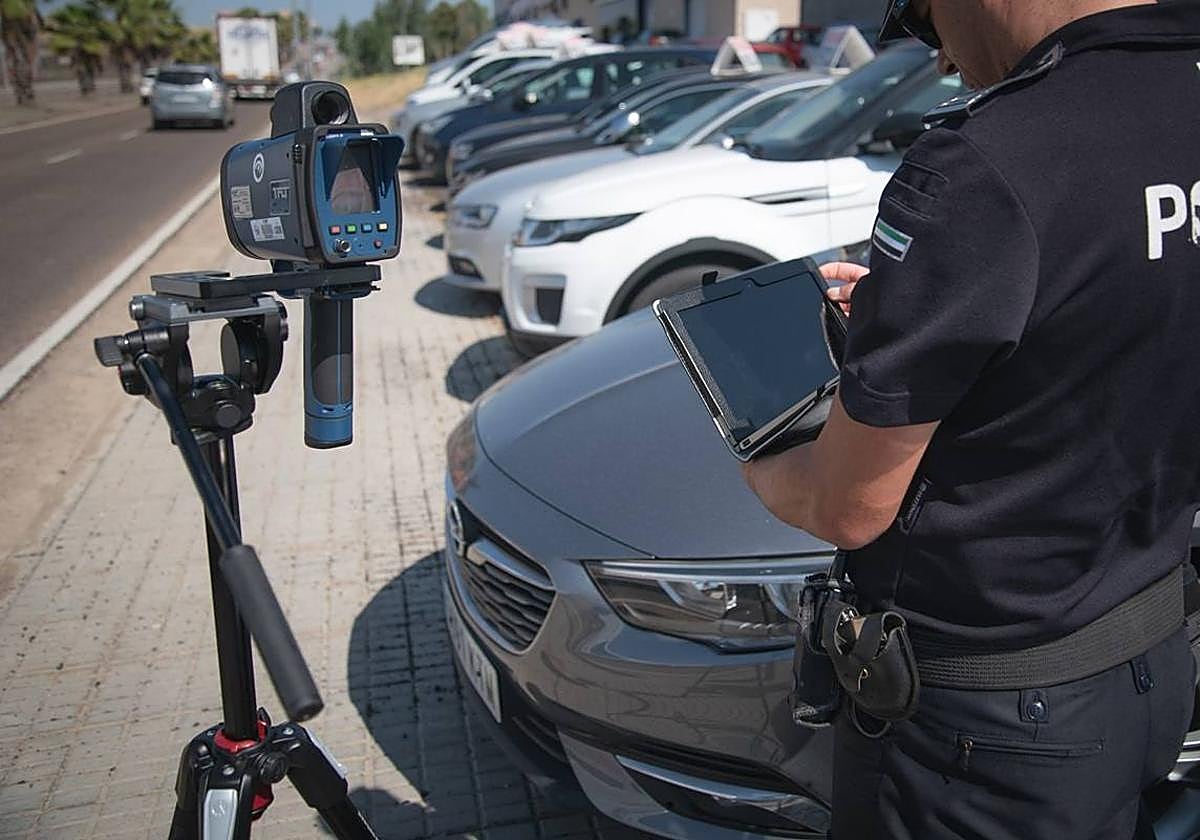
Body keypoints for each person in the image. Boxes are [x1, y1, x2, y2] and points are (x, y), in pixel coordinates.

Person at [739, 1, 1200, 837]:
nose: (944, 59)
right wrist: (915, 323)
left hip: (983, 731)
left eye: (925, 20)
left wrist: (753, 450)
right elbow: (1113, 320)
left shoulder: (986, 159)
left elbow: (848, 507)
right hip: (1151, 664)